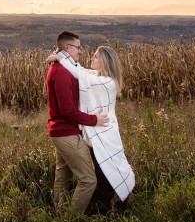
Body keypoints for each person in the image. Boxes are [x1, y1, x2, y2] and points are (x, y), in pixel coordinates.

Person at [47, 44, 135, 211]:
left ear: (105, 61)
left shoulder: (107, 82)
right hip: (96, 133)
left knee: (104, 173)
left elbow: (80, 75)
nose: (91, 58)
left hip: (104, 134)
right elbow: (81, 70)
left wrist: (60, 58)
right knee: (99, 171)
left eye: (95, 56)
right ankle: (102, 206)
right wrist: (65, 58)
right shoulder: (98, 75)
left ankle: (112, 207)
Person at [46, 31, 109, 214]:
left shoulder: (65, 67)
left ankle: (59, 213)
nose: (80, 52)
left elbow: (83, 73)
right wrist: (94, 120)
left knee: (63, 176)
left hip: (60, 132)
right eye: (78, 47)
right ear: (67, 47)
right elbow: (67, 110)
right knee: (88, 180)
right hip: (66, 133)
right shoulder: (61, 72)